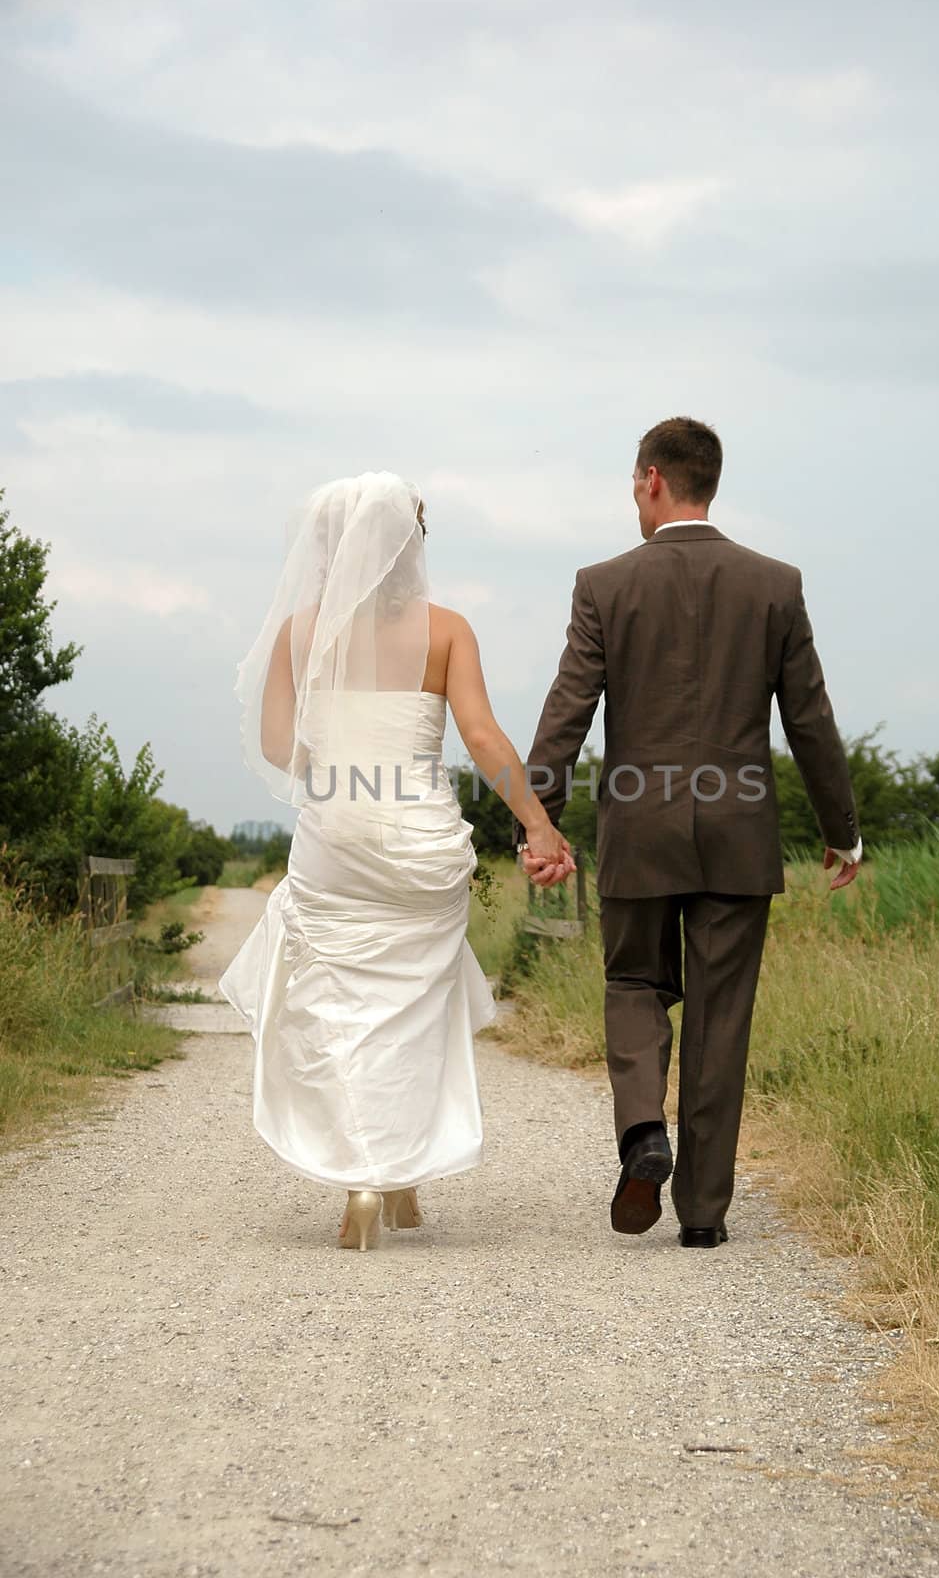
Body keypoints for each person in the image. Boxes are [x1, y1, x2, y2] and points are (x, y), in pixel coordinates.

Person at [514, 417, 861, 1247]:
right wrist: (841, 829)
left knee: (635, 984)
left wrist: (540, 822)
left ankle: (643, 1135)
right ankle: (703, 1216)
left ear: (651, 480)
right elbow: (809, 717)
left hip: (639, 828)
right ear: (710, 480)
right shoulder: (774, 583)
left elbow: (568, 712)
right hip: (740, 834)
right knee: (721, 1016)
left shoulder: (604, 584)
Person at [218, 473, 572, 1251]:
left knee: (342, 1008)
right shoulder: (447, 630)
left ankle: (365, 1183)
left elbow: (280, 746)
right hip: (420, 842)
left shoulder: (301, 633)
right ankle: (396, 1171)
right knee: (412, 1008)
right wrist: (539, 827)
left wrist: (340, 766)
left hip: (336, 839)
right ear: (409, 546)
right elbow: (481, 739)